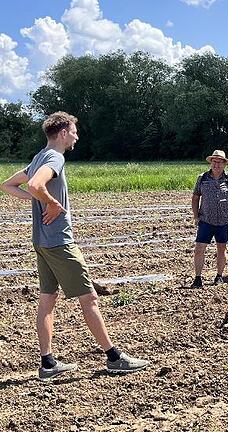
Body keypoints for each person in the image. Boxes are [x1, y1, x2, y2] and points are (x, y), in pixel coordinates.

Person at [0, 111, 150, 379]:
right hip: (59, 242)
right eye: (73, 131)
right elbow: (35, 184)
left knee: (47, 299)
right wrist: (52, 203)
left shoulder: (37, 158)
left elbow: (8, 185)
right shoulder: (55, 157)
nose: (76, 136)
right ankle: (114, 357)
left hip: (42, 241)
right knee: (89, 298)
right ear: (62, 134)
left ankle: (47, 363)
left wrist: (36, 200)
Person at [190, 150, 228, 288]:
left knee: (221, 249)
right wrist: (195, 216)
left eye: (219, 162)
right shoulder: (203, 178)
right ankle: (198, 278)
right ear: (211, 162)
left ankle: (219, 276)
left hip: (224, 221)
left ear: (224, 164)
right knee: (199, 249)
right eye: (214, 161)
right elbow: (195, 197)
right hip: (205, 220)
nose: (216, 164)